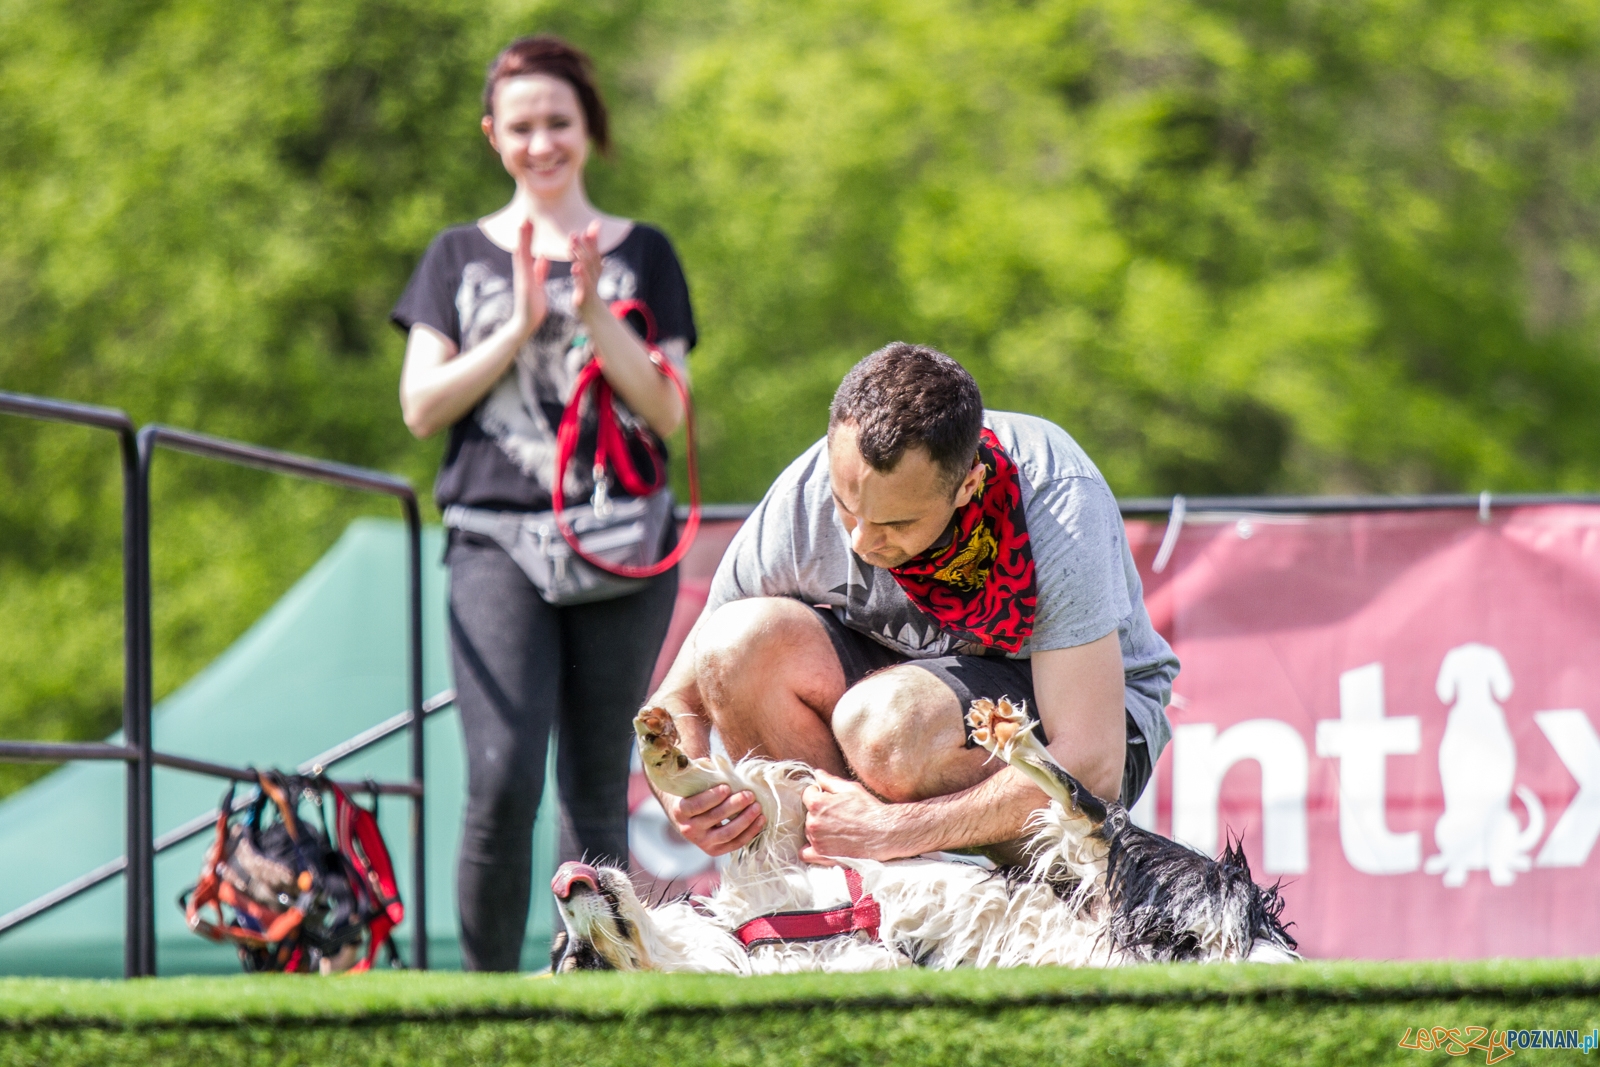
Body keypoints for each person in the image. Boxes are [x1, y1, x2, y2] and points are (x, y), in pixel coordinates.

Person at [391, 35, 695, 971]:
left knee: (598, 786)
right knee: (500, 779)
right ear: (494, 135)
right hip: (494, 540)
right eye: (521, 126)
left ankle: (590, 991)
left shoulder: (643, 250)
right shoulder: (456, 256)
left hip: (622, 545)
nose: (541, 142)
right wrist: (520, 323)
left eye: (558, 122)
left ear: (586, 130)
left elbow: (670, 412)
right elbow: (420, 407)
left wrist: (597, 314)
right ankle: (488, 1002)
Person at [645, 343, 1177, 864]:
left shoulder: (1056, 498)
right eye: (846, 507)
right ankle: (828, 904)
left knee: (886, 725)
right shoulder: (803, 493)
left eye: (896, 523)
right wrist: (683, 792)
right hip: (894, 715)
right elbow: (676, 698)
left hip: (1088, 733)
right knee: (735, 644)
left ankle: (946, 893)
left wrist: (892, 831)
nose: (859, 542)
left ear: (967, 484)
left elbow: (1092, 763)